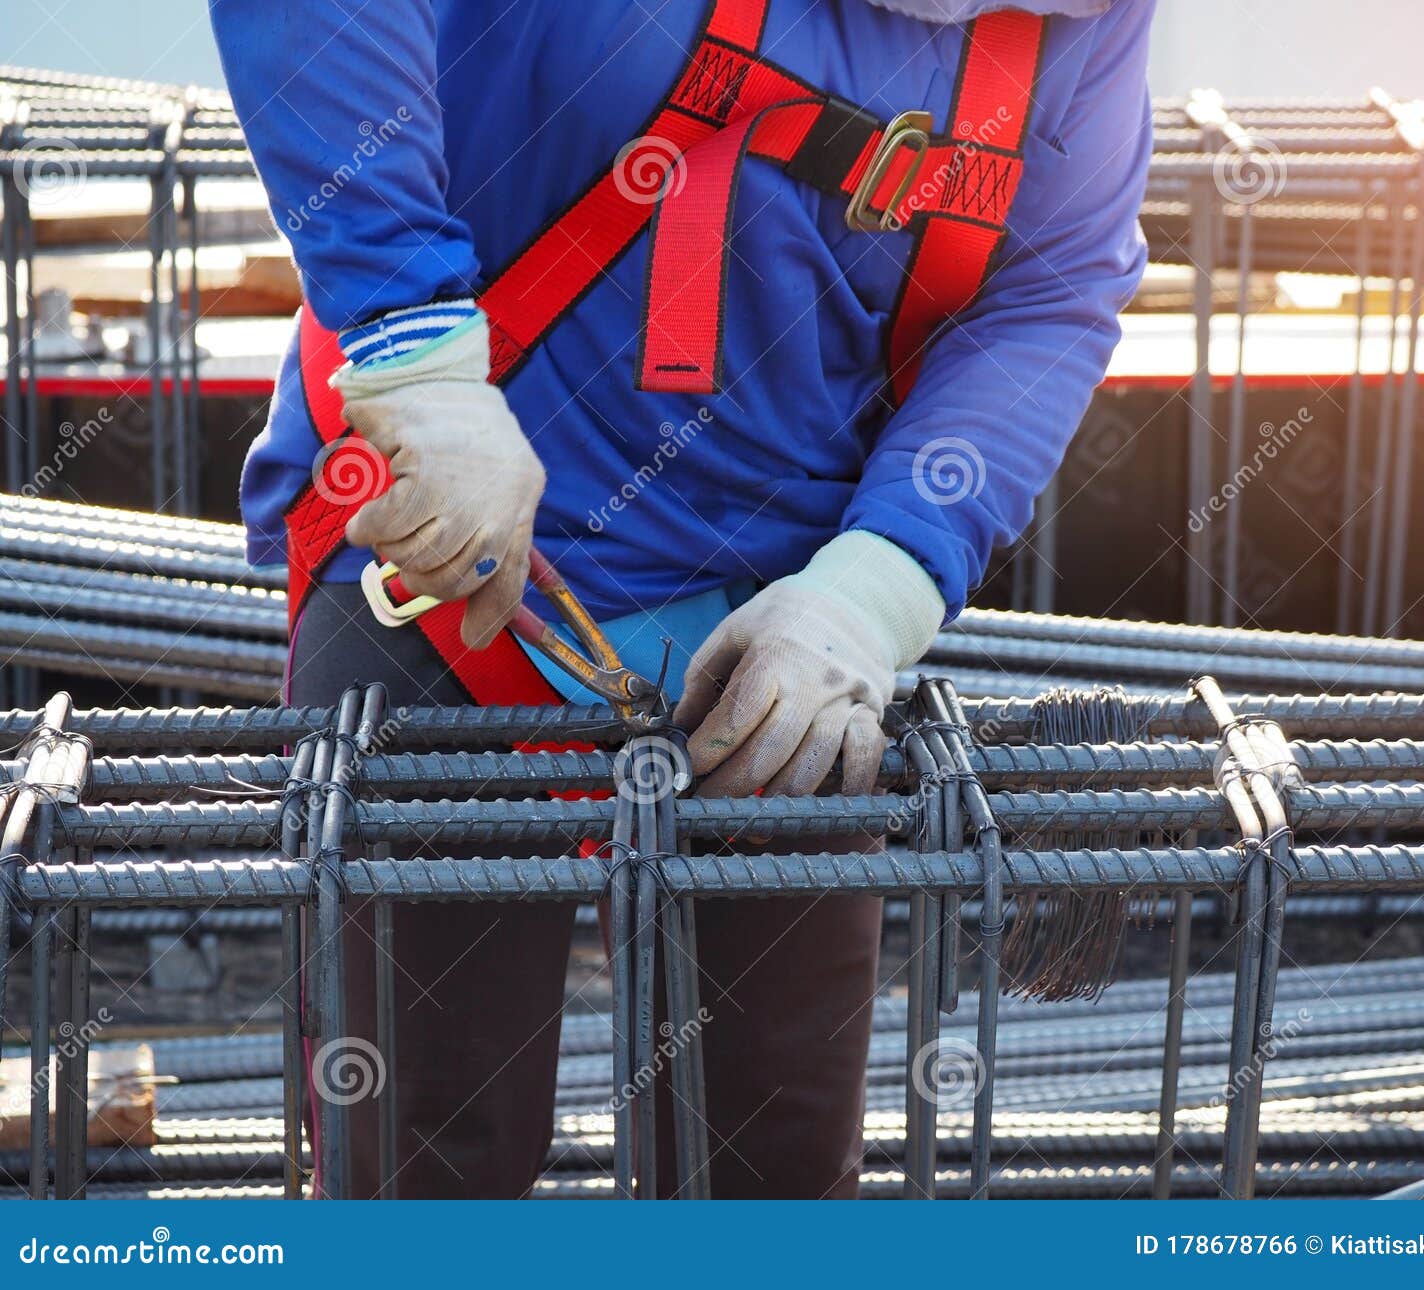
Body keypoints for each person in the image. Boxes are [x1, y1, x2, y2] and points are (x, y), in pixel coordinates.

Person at [210, 0, 1154, 1198]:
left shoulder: (1083, 22)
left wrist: (875, 589)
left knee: (765, 1169)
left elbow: (1049, 293)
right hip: (444, 572)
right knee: (423, 1154)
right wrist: (412, 351)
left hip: (777, 638)